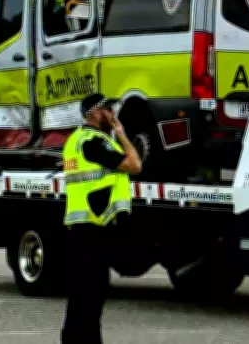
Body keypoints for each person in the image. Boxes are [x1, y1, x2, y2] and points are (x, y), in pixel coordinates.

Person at [60, 93, 142, 344]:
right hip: (93, 229)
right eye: (107, 108)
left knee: (83, 296)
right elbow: (134, 164)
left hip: (85, 227)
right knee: (90, 295)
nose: (112, 113)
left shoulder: (79, 139)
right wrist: (123, 134)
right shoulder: (93, 142)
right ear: (94, 113)